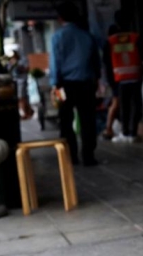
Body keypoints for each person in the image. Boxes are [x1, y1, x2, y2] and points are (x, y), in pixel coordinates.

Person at [49, 1, 101, 166]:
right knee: (88, 120)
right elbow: (96, 62)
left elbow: (55, 63)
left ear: (60, 18)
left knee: (65, 121)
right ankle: (88, 155)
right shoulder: (87, 36)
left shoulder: (57, 37)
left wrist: (54, 84)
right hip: (86, 83)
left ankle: (71, 156)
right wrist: (96, 79)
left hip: (64, 85)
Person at [106, 11, 143, 143]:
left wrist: (110, 80)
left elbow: (106, 62)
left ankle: (125, 133)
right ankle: (133, 133)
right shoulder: (136, 38)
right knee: (136, 105)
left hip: (119, 78)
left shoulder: (111, 41)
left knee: (123, 106)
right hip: (135, 76)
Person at [101, 23, 121, 140]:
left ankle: (109, 128)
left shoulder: (109, 44)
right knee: (116, 102)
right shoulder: (111, 43)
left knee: (116, 102)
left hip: (114, 77)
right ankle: (108, 128)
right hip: (116, 77)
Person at [7, 51, 34, 120]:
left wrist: (19, 66)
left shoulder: (22, 60)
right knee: (20, 97)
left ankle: (24, 112)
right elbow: (8, 70)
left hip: (22, 80)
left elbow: (27, 68)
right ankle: (25, 111)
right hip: (14, 81)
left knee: (22, 97)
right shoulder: (10, 62)